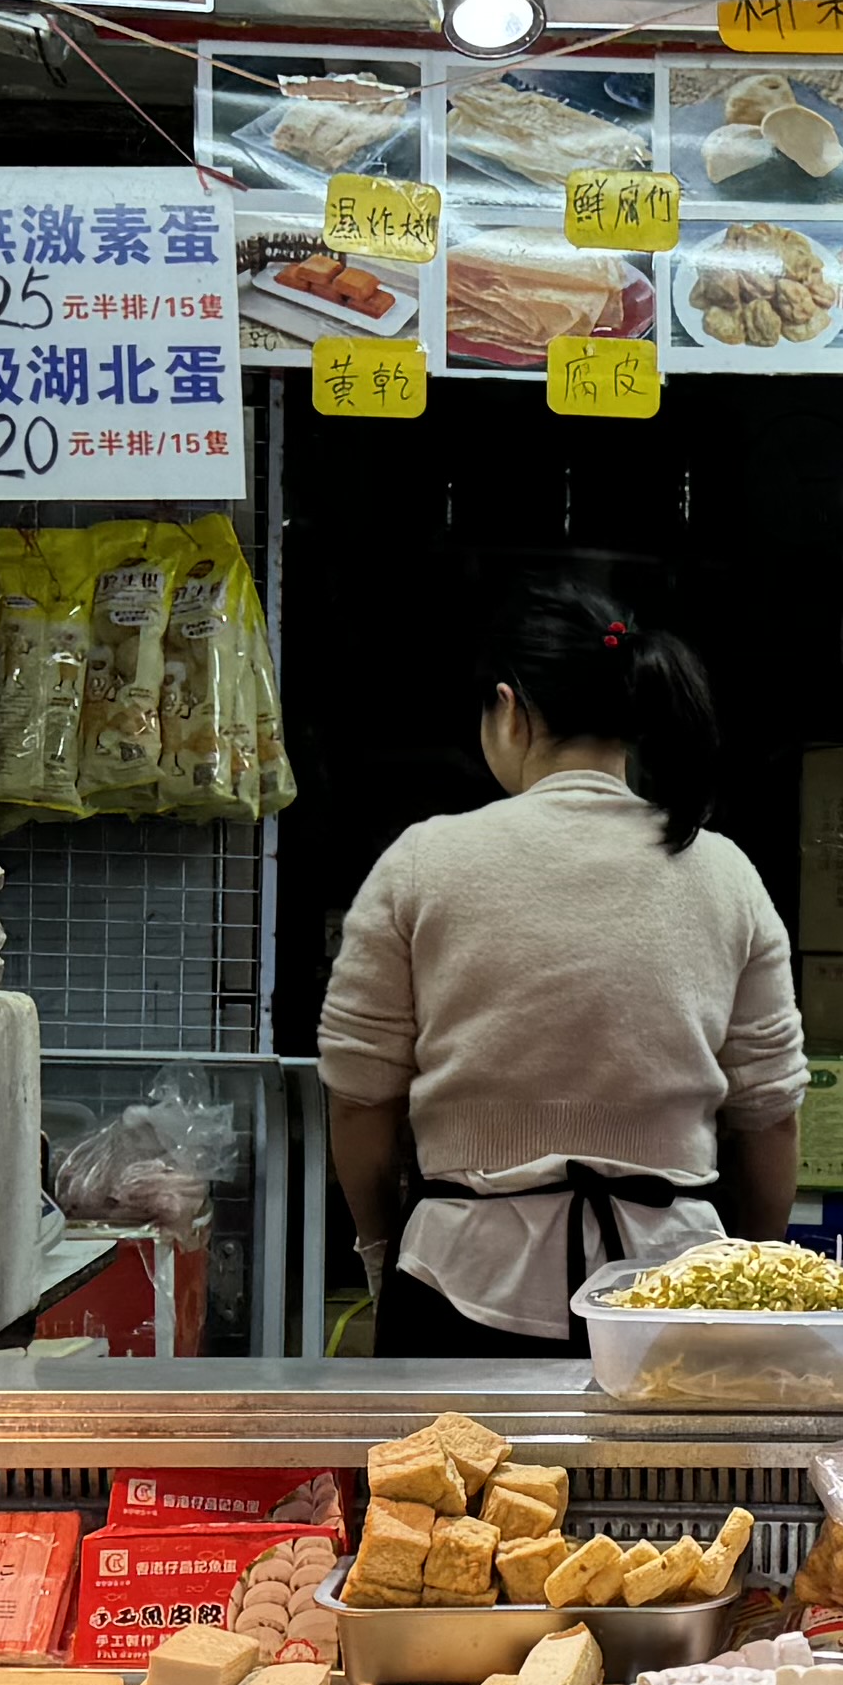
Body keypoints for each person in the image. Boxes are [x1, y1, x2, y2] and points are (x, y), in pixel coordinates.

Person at [318, 581, 806, 1362]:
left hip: (454, 1282)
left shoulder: (422, 862)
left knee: (454, 1489)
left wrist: (382, 1255)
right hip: (676, 1296)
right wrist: (744, 1275)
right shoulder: (725, 874)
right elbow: (771, 1116)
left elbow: (357, 1101)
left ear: (510, 709)